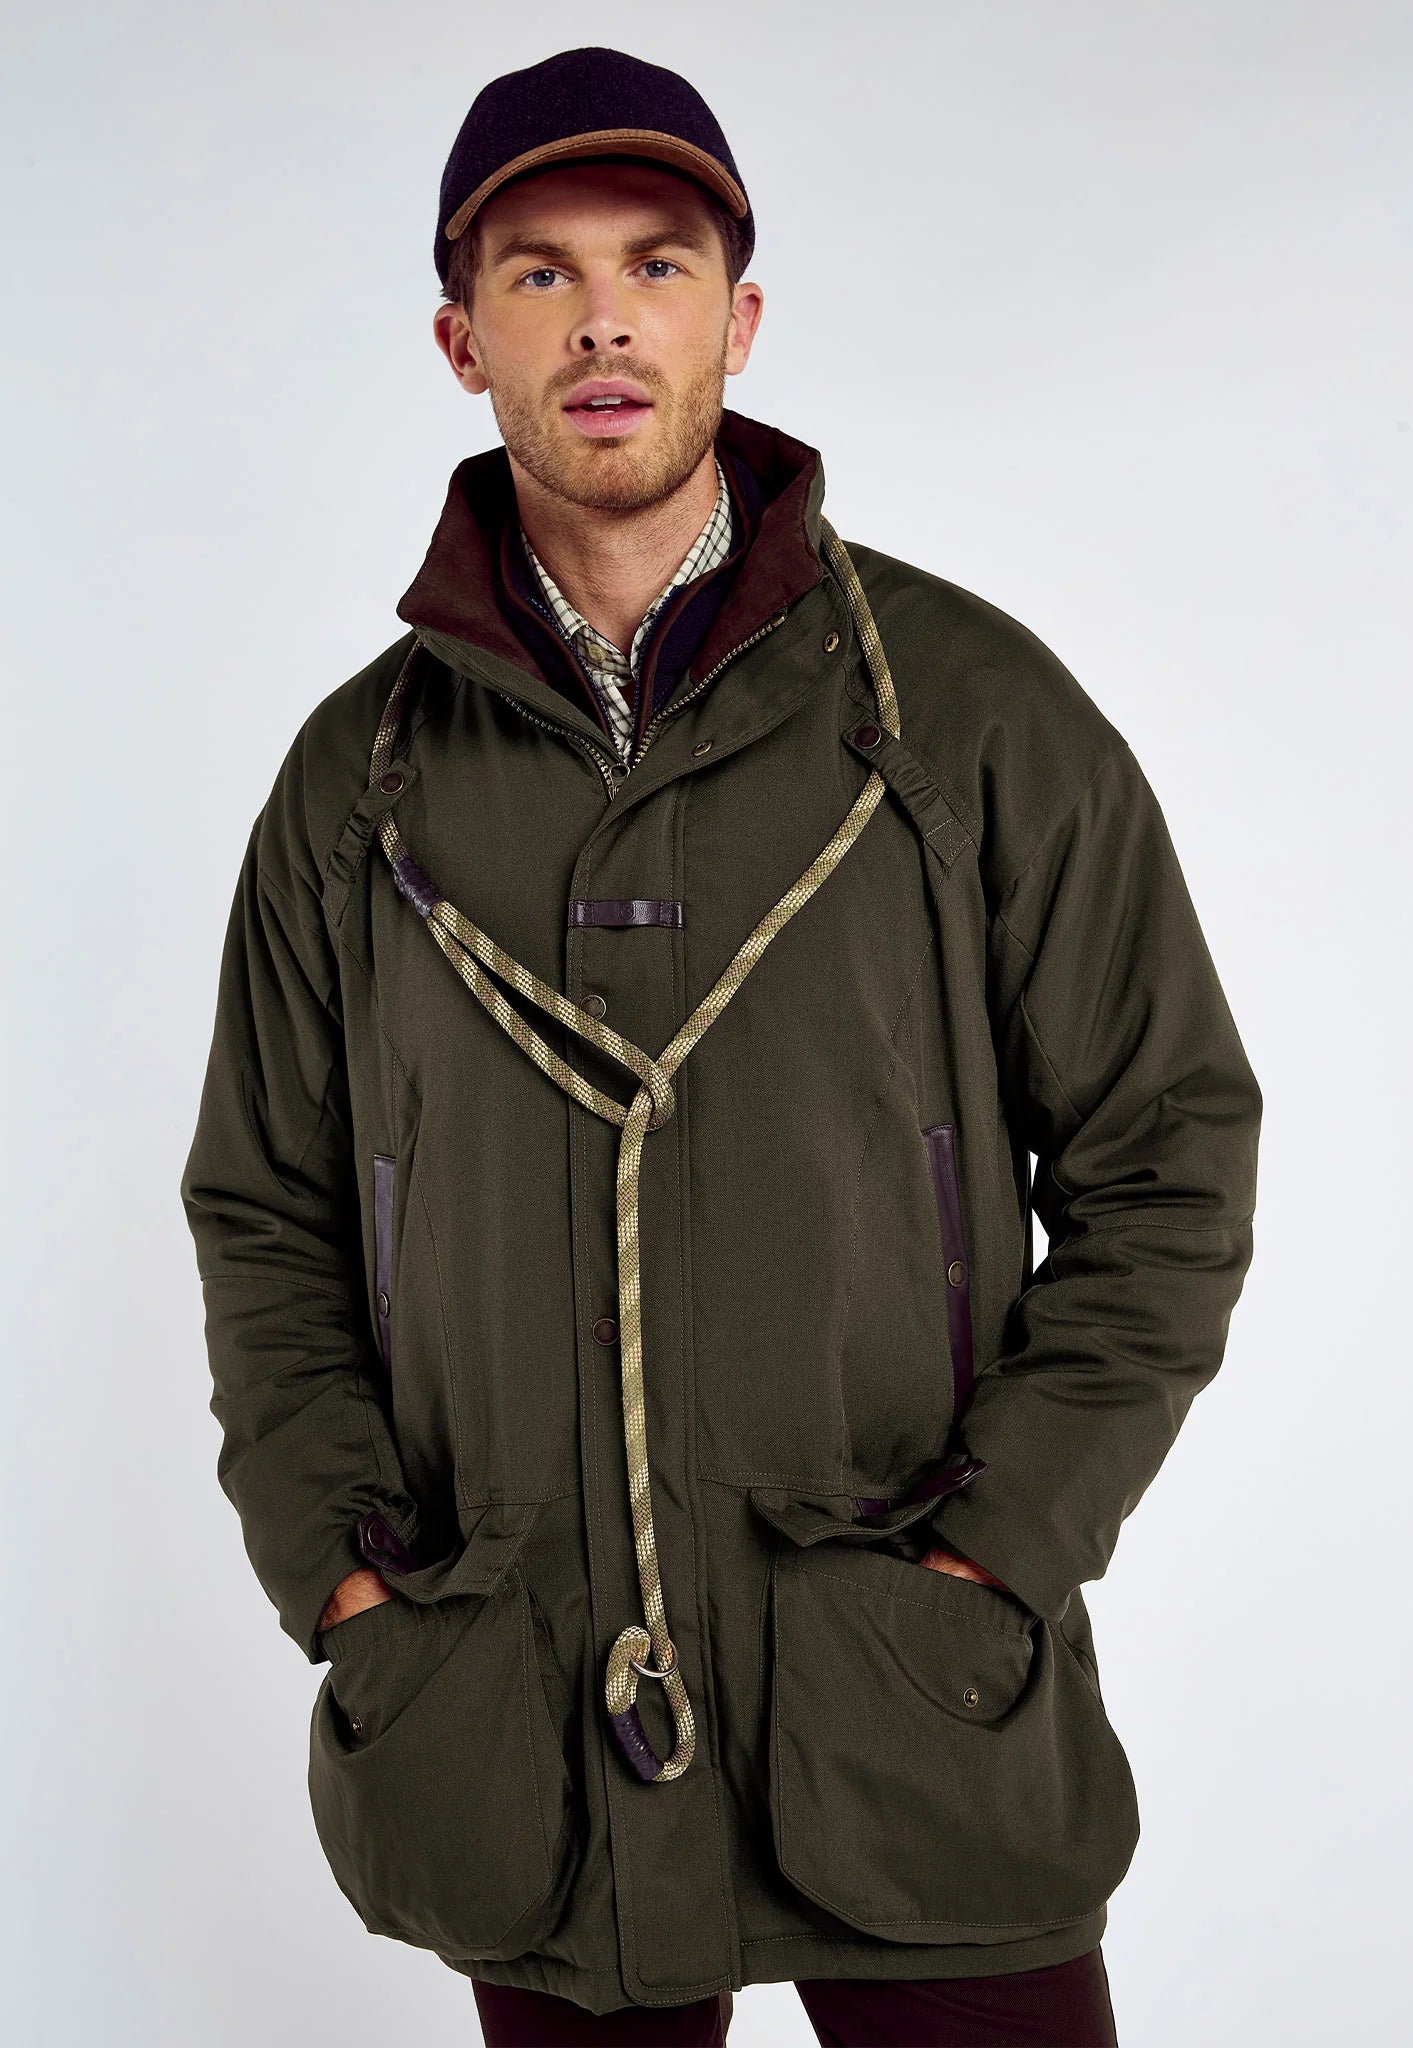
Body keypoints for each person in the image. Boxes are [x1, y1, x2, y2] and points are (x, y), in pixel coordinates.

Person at [180, 43, 1262, 2047]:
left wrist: (996, 1550)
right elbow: (264, 1210)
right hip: (521, 1711)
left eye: (656, 265)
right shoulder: (359, 784)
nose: (603, 317)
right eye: (540, 272)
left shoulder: (968, 716)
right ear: (461, 339)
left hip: (911, 1700)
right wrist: (348, 1581)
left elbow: (1167, 1155)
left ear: (736, 321)